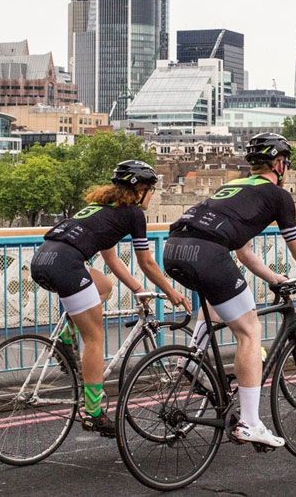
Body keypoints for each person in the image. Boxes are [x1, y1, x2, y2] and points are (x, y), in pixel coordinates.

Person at [163, 132, 296, 449]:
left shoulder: (233, 188)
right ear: (279, 164)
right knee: (250, 330)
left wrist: (271, 277)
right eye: (286, 164)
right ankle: (250, 423)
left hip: (174, 249)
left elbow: (243, 250)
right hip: (207, 252)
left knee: (214, 302)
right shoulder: (278, 196)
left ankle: (192, 363)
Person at [30, 160, 187, 437]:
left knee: (103, 285)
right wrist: (172, 292)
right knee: (94, 338)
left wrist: (138, 288)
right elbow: (147, 262)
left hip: (43, 259)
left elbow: (110, 258)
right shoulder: (133, 215)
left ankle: (66, 338)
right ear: (138, 191)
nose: (152, 195)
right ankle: (93, 413)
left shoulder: (102, 209)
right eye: (151, 189)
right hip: (67, 264)